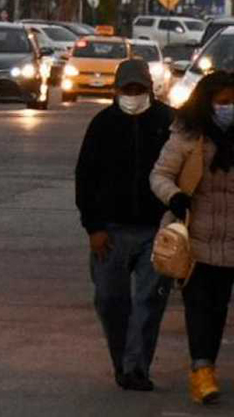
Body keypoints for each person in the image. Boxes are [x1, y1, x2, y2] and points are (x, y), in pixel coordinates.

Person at [150, 70, 234, 406]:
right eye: (222, 103)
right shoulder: (187, 137)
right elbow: (160, 174)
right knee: (198, 304)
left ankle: (207, 366)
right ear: (207, 103)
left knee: (218, 307)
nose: (229, 108)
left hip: (233, 238)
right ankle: (201, 370)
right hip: (194, 237)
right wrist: (174, 196)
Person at [76, 58, 175, 391]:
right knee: (109, 300)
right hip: (111, 231)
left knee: (149, 302)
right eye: (128, 89)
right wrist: (94, 228)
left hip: (156, 229)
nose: (134, 95)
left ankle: (137, 368)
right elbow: (85, 179)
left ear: (150, 89)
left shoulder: (168, 122)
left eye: (139, 89)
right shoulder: (103, 124)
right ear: (117, 90)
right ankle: (122, 361)